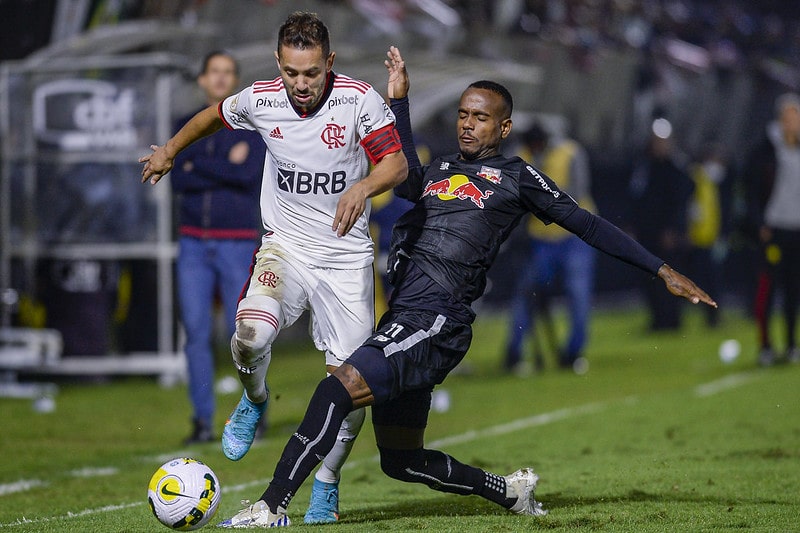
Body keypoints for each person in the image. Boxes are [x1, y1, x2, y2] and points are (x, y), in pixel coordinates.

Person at [217, 46, 716, 528]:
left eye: (479, 117)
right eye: (462, 114)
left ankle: (271, 507)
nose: (466, 124)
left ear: (504, 127)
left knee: (335, 390)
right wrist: (400, 102)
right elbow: (407, 175)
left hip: (437, 319)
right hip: (406, 317)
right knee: (401, 459)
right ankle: (509, 491)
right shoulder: (440, 171)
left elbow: (586, 224)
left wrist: (660, 269)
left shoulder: (517, 178)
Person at [140, 12, 408, 524]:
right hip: (284, 248)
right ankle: (255, 399)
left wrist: (362, 186)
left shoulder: (359, 100)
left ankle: (326, 482)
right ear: (278, 65)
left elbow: (395, 164)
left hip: (345, 259)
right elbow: (213, 115)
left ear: (329, 63)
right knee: (248, 336)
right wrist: (170, 151)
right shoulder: (261, 100)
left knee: (350, 384)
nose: (301, 85)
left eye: (311, 73)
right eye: (291, 73)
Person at [170, 51, 265, 444]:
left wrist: (198, 167)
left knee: (242, 333)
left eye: (229, 73)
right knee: (195, 331)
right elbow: (177, 178)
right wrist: (221, 165)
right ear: (202, 80)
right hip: (193, 242)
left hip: (238, 244)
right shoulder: (183, 126)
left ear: (236, 80)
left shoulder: (254, 128)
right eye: (215, 72)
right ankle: (203, 419)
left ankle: (254, 412)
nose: (222, 79)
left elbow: (247, 176)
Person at [504, 122, 597, 373]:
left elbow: (576, 194)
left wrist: (537, 197)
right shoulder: (519, 156)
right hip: (540, 239)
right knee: (526, 294)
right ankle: (513, 352)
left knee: (578, 295)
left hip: (575, 236)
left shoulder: (570, 152)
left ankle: (573, 352)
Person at [745, 93, 800, 366]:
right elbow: (752, 191)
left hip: (797, 230)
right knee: (767, 288)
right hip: (774, 229)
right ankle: (765, 345)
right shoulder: (766, 149)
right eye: (788, 115)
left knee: (793, 290)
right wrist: (760, 224)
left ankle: (791, 345)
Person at [627, 117, 695, 330]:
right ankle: (658, 319)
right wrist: (631, 225)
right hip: (647, 231)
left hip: (668, 234)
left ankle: (672, 320)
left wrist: (676, 229)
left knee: (671, 277)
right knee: (649, 277)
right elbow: (635, 198)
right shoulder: (644, 165)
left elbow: (682, 202)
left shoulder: (677, 167)